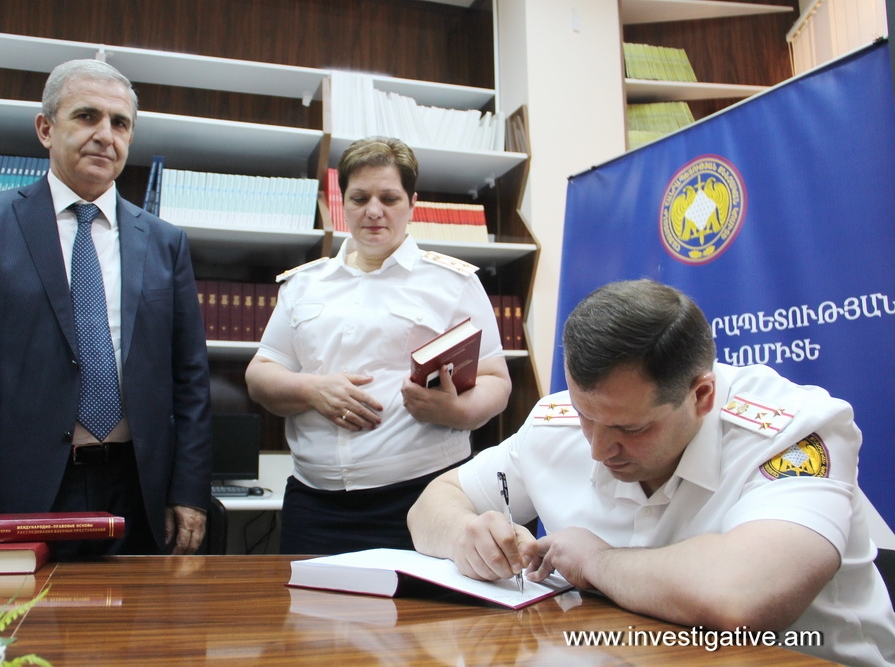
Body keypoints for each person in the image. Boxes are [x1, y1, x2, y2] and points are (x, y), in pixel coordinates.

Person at [408, 279, 895, 666]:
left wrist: (597, 562)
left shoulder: (791, 431)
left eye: (631, 428)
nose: (598, 448)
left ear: (701, 396)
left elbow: (741, 597)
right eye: (586, 416)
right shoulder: (557, 422)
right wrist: (465, 534)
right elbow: (434, 502)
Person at [0, 59, 212, 557]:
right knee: (26, 610)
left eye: (120, 123)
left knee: (140, 612)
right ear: (46, 129)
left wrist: (189, 490)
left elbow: (191, 379)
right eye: (87, 116)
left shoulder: (165, 242)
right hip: (19, 485)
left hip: (139, 488)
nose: (105, 135)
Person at [245, 136, 511, 554]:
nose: (373, 211)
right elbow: (260, 374)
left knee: (418, 601)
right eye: (359, 198)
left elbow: (497, 380)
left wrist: (457, 411)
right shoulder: (303, 283)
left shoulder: (453, 282)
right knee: (307, 600)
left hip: (423, 496)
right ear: (343, 202)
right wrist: (311, 390)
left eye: (389, 198)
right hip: (315, 504)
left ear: (412, 203)